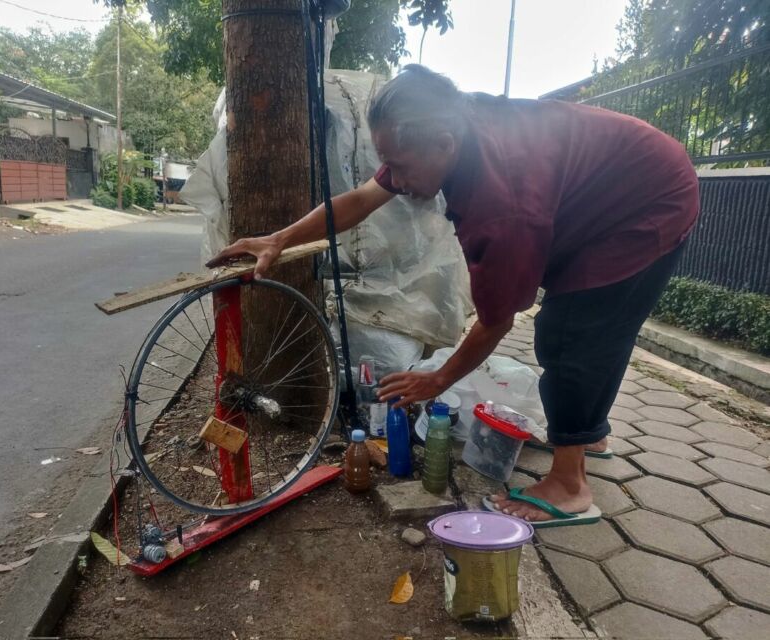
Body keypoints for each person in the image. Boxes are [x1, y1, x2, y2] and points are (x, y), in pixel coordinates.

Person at [207, 65, 699, 526]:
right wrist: (280, 238)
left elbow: (497, 319)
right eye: (388, 165)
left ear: (444, 145)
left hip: (648, 199)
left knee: (575, 333)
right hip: (613, 182)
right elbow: (359, 200)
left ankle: (570, 487)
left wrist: (438, 379)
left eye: (400, 167)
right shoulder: (442, 129)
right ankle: (587, 435)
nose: (395, 181)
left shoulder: (500, 205)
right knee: (593, 329)